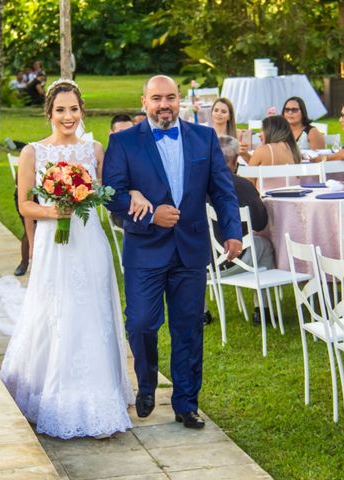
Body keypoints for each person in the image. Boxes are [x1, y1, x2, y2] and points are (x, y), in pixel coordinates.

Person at [0, 80, 150, 439]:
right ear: (48, 112)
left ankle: (98, 397)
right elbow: (24, 206)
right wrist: (55, 210)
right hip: (55, 245)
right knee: (57, 314)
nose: (68, 116)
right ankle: (53, 395)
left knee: (91, 315)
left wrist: (135, 192)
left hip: (90, 245)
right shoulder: (33, 153)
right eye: (61, 110)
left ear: (82, 111)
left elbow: (112, 188)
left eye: (74, 109)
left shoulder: (94, 150)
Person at [103, 75, 242, 430]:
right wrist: (151, 214)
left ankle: (185, 403)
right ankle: (147, 384)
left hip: (191, 250)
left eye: (170, 97)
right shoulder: (122, 142)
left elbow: (223, 191)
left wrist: (232, 233)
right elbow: (112, 195)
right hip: (144, 249)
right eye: (156, 98)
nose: (164, 104)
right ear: (144, 101)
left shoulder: (204, 137)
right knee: (141, 323)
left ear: (180, 100)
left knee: (188, 328)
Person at [215, 135, 274, 323]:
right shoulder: (242, 186)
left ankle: (203, 312)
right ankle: (262, 307)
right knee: (265, 244)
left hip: (202, 262)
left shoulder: (194, 184)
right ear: (234, 161)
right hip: (235, 258)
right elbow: (260, 223)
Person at [248, 115, 302, 189]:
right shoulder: (293, 149)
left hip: (267, 199)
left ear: (272, 131)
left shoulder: (263, 150)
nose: (259, 134)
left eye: (263, 130)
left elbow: (248, 181)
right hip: (292, 198)